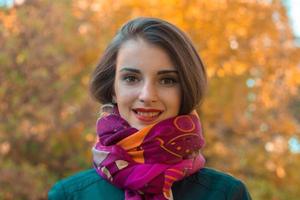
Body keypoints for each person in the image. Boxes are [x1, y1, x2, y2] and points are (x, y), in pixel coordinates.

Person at [48, 17, 252, 200]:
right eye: (131, 78)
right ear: (113, 89)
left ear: (186, 90)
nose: (147, 95)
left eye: (167, 80)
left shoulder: (226, 194)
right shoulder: (69, 195)